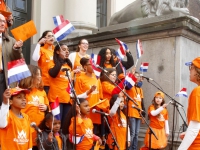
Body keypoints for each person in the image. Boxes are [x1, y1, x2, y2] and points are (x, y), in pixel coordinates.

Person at [19, 65, 49, 150]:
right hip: (26, 129)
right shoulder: (23, 92)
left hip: (40, 130)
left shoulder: (42, 92)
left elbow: (48, 107)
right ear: (31, 76)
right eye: (38, 74)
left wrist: (46, 108)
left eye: (40, 74)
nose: (40, 77)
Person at [0, 14, 24, 105]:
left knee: (4, 107)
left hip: (4, 77)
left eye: (3, 21)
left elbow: (19, 61)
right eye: (0, 21)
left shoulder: (11, 41)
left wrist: (16, 49)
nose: (2, 24)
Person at [178, 57, 200, 149]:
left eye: (191, 67)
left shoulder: (197, 91)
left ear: (198, 70)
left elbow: (195, 126)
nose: (189, 71)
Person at [48, 43, 72, 126]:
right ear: (57, 51)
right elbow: (53, 73)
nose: (67, 52)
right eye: (64, 50)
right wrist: (60, 61)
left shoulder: (68, 65)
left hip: (67, 99)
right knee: (56, 124)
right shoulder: (52, 62)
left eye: (68, 50)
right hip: (56, 98)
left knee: (65, 125)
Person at [32, 30, 55, 94]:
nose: (52, 38)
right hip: (45, 82)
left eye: (52, 36)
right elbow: (35, 58)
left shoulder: (56, 50)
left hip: (56, 83)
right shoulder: (41, 49)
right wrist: (39, 44)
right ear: (44, 38)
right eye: (49, 36)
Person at [126, 71, 144, 150]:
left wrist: (143, 114)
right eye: (135, 76)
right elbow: (126, 86)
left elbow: (142, 102)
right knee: (132, 133)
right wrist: (130, 75)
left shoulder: (140, 89)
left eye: (138, 76)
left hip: (138, 113)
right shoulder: (130, 87)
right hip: (132, 112)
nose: (137, 77)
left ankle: (135, 148)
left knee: (137, 133)